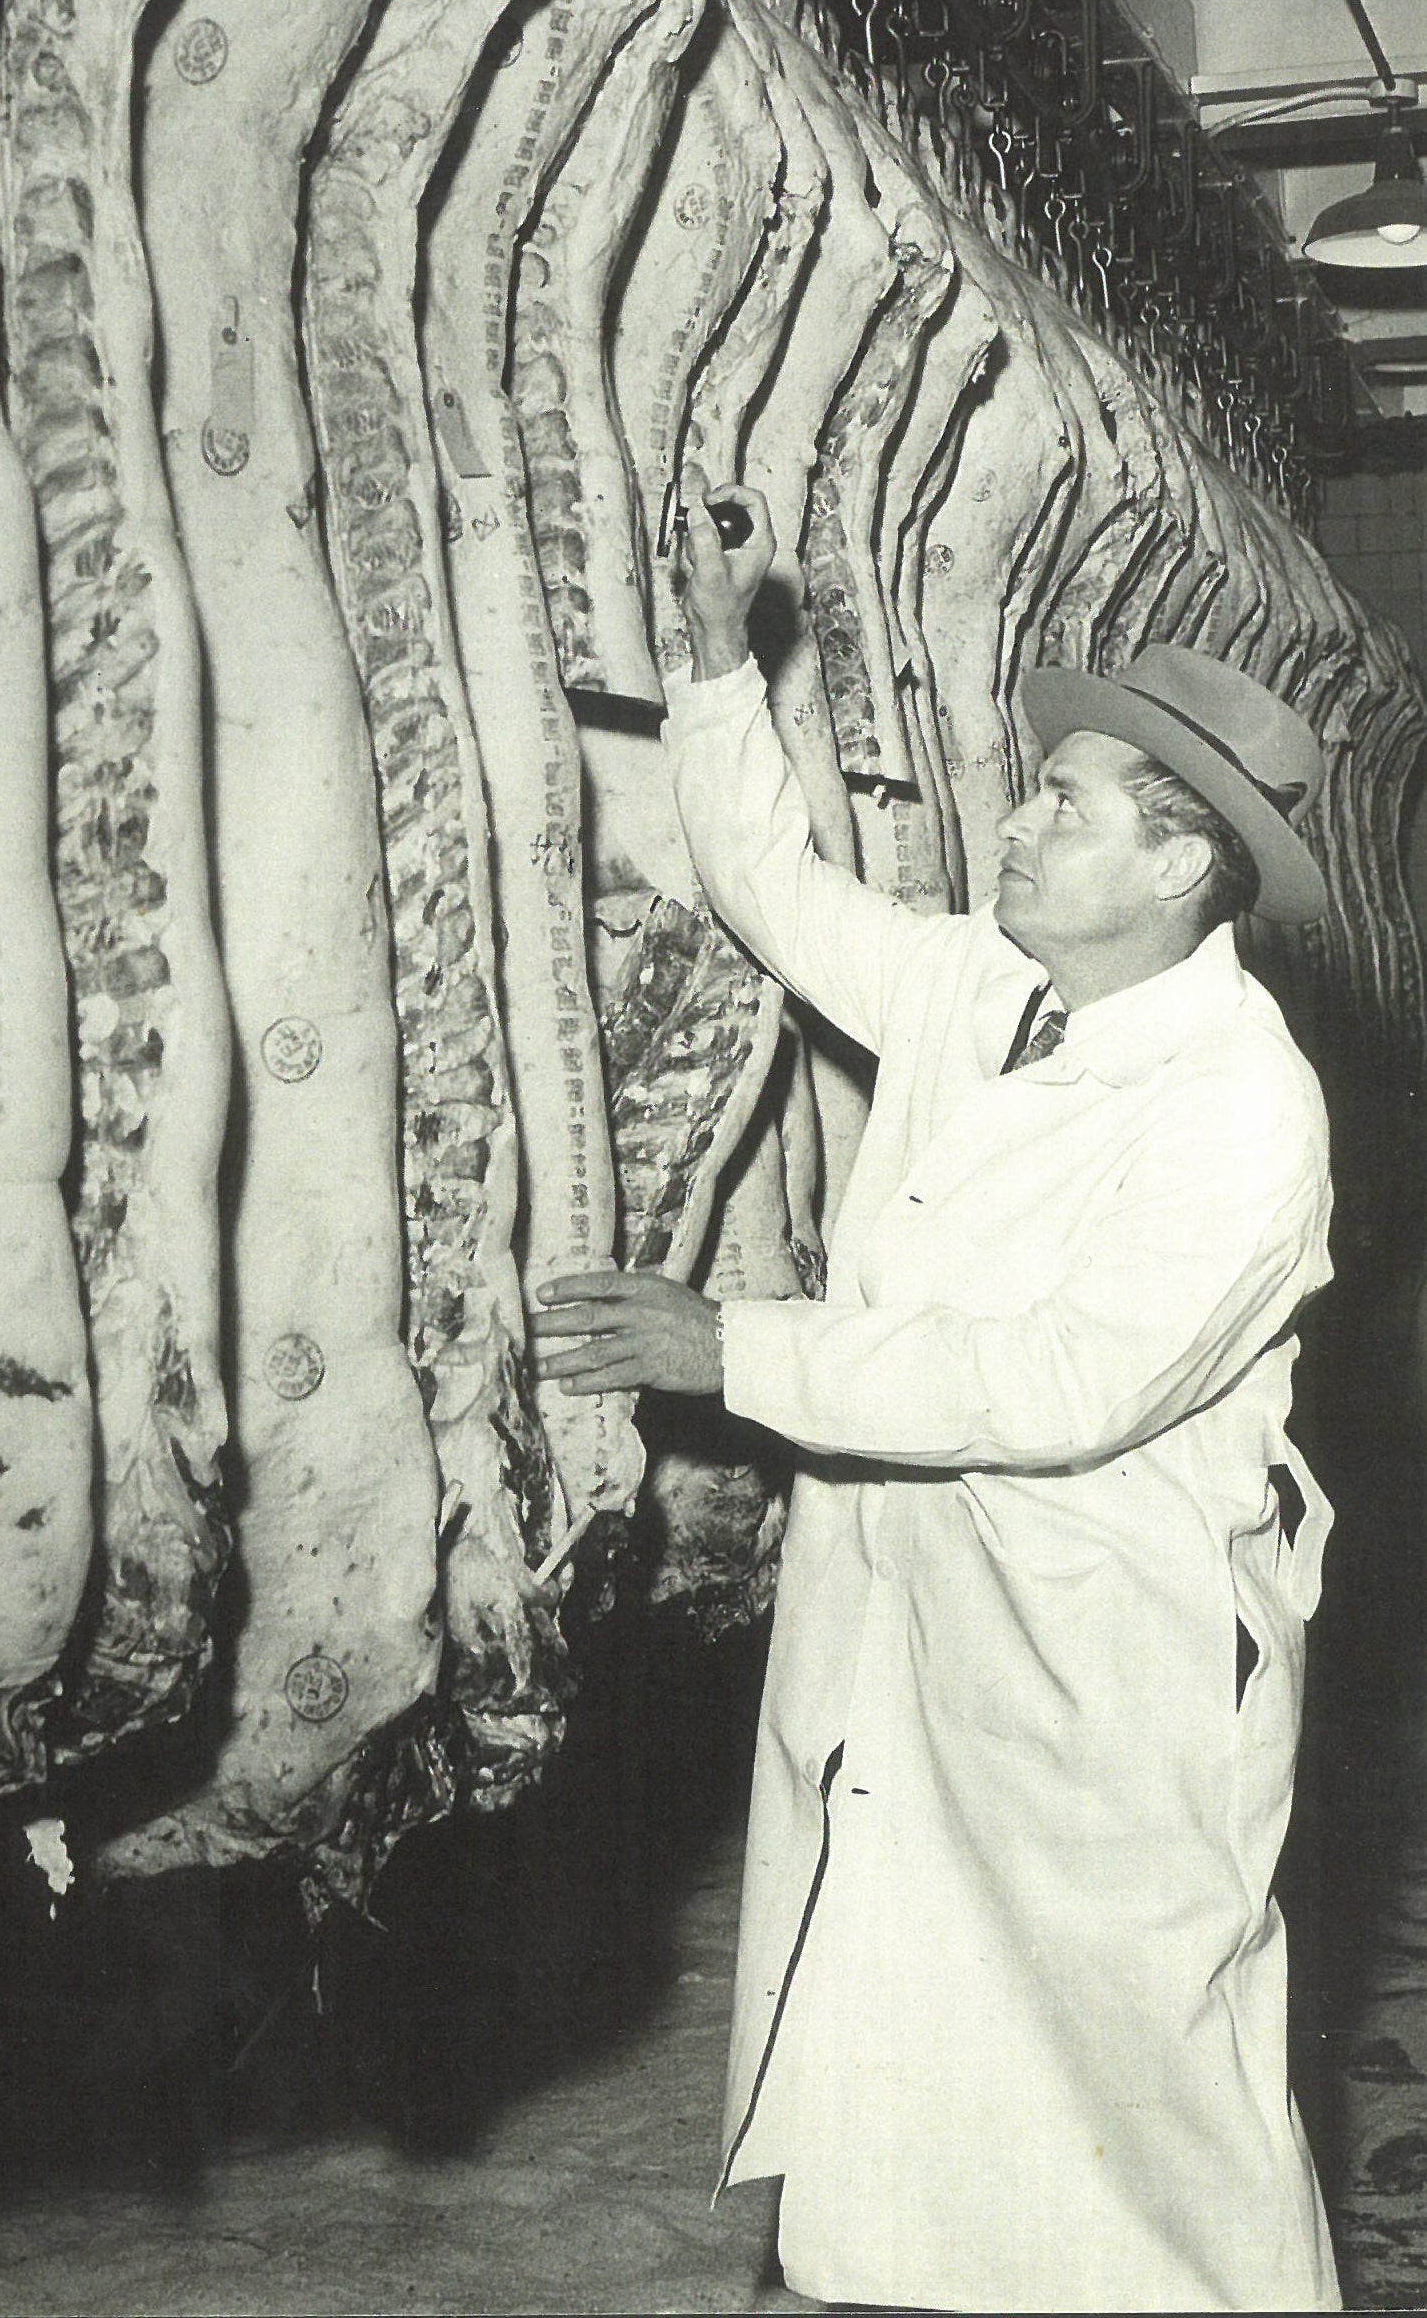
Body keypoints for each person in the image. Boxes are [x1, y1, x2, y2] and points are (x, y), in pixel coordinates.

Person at [536, 487, 1342, 2312]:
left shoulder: (1240, 1104)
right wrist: (714, 663)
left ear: (1178, 869)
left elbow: (1057, 1381)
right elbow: (768, 887)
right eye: (1040, 784)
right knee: (923, 2059)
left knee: (1152, 2090)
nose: (1021, 819)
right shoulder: (986, 985)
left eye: (1067, 804)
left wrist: (732, 1350)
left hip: (1109, 1646)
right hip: (924, 1608)